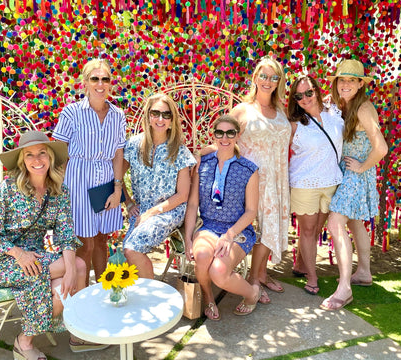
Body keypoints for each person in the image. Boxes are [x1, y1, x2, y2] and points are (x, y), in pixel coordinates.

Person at [0, 131, 108, 360]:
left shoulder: (59, 191)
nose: (37, 160)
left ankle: (43, 337)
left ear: (50, 158)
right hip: (4, 260)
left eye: (42, 153)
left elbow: (66, 234)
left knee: (70, 275)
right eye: (30, 155)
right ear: (22, 161)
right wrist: (19, 254)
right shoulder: (6, 190)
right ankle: (28, 342)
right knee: (72, 268)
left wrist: (68, 271)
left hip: (37, 258)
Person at [199, 57, 291, 303]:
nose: (267, 81)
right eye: (263, 75)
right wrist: (199, 155)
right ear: (255, 78)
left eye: (273, 77)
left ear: (279, 81)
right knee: (255, 228)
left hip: (277, 178)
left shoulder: (282, 110)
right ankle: (254, 280)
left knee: (270, 228)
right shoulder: (243, 109)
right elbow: (225, 136)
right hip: (247, 178)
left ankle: (260, 274)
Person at [321, 59, 388, 311]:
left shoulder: (363, 109)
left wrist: (360, 167)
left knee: (336, 222)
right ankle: (364, 272)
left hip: (356, 174)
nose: (346, 84)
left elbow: (381, 148)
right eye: (342, 79)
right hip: (350, 172)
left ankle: (345, 288)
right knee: (354, 221)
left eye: (351, 80)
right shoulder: (343, 105)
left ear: (361, 84)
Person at [53, 59, 127, 286]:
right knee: (85, 243)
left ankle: (105, 289)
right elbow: (59, 153)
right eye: (94, 78)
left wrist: (117, 189)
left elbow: (118, 155)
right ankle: (82, 295)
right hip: (78, 181)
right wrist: (58, 191)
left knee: (102, 240)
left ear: (111, 84)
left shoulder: (118, 115)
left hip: (105, 180)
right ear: (85, 82)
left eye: (105, 79)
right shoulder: (71, 113)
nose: (100, 84)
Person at [185, 115, 261, 319]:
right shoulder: (202, 164)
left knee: (218, 271)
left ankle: (252, 293)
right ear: (214, 135)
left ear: (238, 136)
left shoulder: (249, 170)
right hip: (208, 226)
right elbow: (193, 204)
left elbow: (251, 211)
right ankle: (209, 298)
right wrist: (188, 237)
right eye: (220, 133)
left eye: (230, 133)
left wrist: (229, 235)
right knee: (201, 257)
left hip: (237, 229)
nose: (225, 137)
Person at [122, 93, 196, 278]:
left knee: (132, 248)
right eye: (156, 113)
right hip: (142, 210)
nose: (160, 119)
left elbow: (182, 195)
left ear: (172, 120)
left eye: (166, 114)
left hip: (170, 210)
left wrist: (152, 213)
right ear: (148, 116)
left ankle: (150, 295)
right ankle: (144, 291)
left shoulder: (179, 151)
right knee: (126, 249)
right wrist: (129, 203)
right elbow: (117, 177)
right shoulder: (133, 145)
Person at [287, 75, 344, 295]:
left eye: (309, 92)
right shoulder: (294, 123)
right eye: (299, 96)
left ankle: (301, 264)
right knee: (308, 231)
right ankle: (312, 277)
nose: (305, 98)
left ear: (317, 90)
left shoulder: (335, 114)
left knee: (318, 228)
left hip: (331, 181)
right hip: (304, 183)